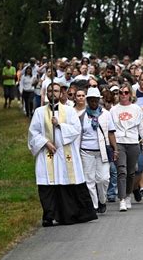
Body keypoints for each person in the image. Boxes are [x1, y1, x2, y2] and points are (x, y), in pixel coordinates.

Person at [28, 82, 97, 226]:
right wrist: (45, 143)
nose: (53, 93)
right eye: (50, 91)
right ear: (46, 93)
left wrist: (59, 124)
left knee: (67, 182)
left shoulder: (69, 111)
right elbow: (33, 133)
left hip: (66, 153)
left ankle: (70, 215)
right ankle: (49, 215)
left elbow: (76, 129)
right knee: (48, 184)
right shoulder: (39, 112)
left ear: (61, 93)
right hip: (48, 152)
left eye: (56, 91)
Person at [110, 83, 143, 212]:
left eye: (126, 92)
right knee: (122, 170)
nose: (123, 95)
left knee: (131, 172)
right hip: (119, 142)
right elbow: (110, 130)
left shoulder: (137, 109)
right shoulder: (113, 110)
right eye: (121, 93)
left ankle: (127, 195)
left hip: (133, 142)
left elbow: (141, 128)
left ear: (130, 94)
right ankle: (121, 199)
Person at [79, 87, 118, 214]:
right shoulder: (82, 116)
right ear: (88, 101)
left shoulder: (106, 114)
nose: (93, 102)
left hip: (103, 150)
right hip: (86, 150)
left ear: (99, 100)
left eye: (96, 100)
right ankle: (94, 205)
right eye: (91, 100)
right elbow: (78, 134)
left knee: (103, 178)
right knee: (89, 179)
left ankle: (102, 199)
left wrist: (115, 149)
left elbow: (111, 132)